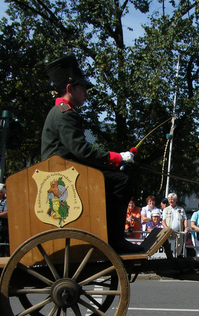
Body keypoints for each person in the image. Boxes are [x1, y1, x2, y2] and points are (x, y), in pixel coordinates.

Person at [41, 54, 143, 254]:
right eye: (83, 88)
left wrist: (112, 162)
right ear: (71, 89)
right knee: (121, 181)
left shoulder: (62, 112)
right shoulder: (65, 114)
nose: (86, 93)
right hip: (64, 175)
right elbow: (81, 151)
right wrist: (118, 157)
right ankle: (114, 240)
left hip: (65, 171)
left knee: (115, 178)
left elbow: (77, 153)